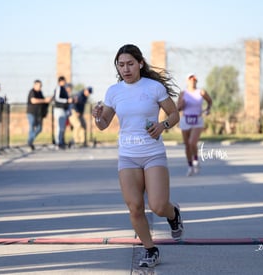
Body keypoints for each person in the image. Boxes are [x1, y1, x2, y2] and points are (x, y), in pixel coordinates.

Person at [92, 44, 183, 268]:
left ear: (140, 63)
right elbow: (104, 125)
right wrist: (96, 117)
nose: (126, 69)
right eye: (121, 65)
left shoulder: (154, 88)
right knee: (134, 207)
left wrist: (162, 125)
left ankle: (173, 215)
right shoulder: (114, 91)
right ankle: (150, 249)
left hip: (152, 154)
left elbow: (174, 114)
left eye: (130, 64)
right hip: (128, 156)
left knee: (159, 206)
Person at [177, 73, 212, 176]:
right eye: (190, 79)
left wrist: (207, 110)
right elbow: (177, 108)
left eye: (194, 79)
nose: (192, 81)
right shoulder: (183, 93)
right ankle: (190, 166)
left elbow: (209, 101)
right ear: (187, 81)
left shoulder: (201, 92)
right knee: (187, 145)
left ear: (196, 81)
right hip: (185, 120)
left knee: (192, 142)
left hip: (197, 119)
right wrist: (181, 105)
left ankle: (195, 159)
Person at [26, 80, 53, 150]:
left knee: (39, 128)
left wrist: (48, 100)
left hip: (39, 113)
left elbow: (43, 101)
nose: (40, 87)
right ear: (35, 85)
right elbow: (33, 100)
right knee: (32, 127)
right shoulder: (32, 92)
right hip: (31, 112)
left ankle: (30, 140)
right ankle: (30, 143)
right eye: (39, 85)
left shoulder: (40, 92)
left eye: (41, 86)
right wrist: (44, 100)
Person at [53, 76, 71, 149]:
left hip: (63, 110)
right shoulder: (58, 88)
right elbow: (56, 99)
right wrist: (66, 101)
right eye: (63, 81)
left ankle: (61, 141)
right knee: (59, 127)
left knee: (62, 127)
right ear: (60, 81)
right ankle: (57, 142)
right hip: (58, 109)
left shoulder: (63, 89)